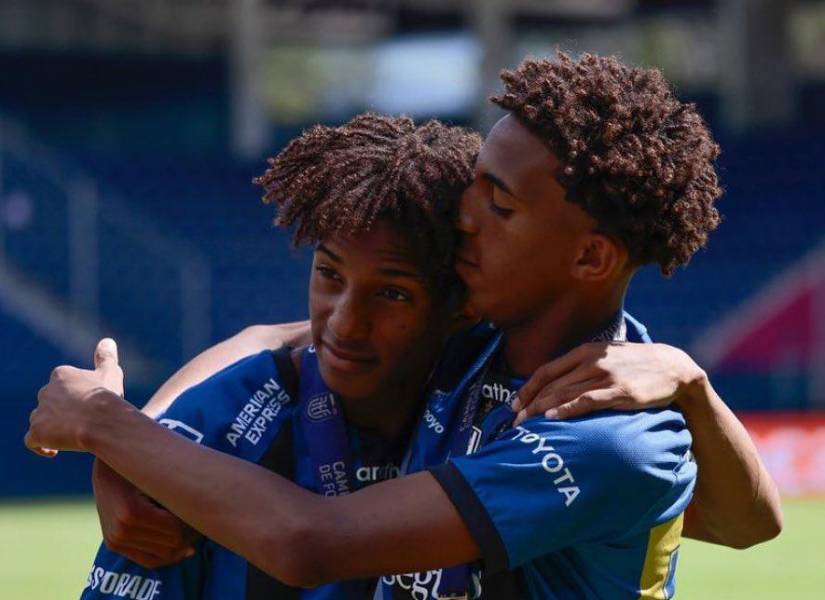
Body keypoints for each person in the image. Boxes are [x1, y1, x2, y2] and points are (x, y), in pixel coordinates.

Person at [27, 53, 782, 599]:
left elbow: (309, 543)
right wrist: (141, 445)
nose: (461, 214)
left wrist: (103, 426)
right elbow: (279, 339)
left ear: (589, 255)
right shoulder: (481, 339)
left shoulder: (608, 431)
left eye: (499, 203)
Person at [73, 113, 482, 599]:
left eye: (392, 294)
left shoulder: (508, 405)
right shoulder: (215, 428)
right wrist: (126, 447)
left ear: (462, 305)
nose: (346, 323)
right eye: (329, 274)